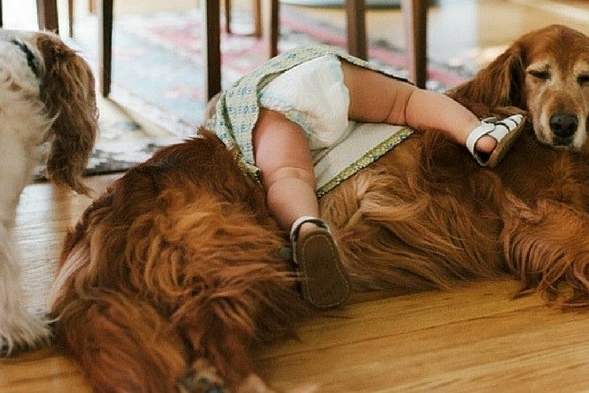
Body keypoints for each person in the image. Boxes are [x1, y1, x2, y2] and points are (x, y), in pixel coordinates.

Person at [207, 45, 524, 309]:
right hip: (322, 71)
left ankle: (305, 226)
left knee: (289, 175)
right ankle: (477, 133)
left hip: (275, 110)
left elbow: (272, 167)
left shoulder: (238, 115)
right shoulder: (274, 70)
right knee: (407, 102)